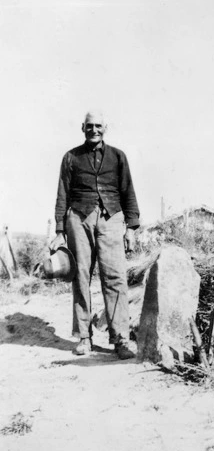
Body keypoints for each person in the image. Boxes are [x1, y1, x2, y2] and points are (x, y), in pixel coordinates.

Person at [50, 110, 140, 359]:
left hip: (112, 218)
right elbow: (62, 194)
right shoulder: (71, 157)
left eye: (98, 126)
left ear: (105, 128)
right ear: (82, 128)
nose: (94, 130)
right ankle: (84, 337)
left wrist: (131, 228)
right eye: (89, 126)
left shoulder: (118, 156)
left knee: (115, 277)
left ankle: (120, 339)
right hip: (78, 218)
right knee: (80, 276)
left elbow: (128, 192)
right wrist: (59, 230)